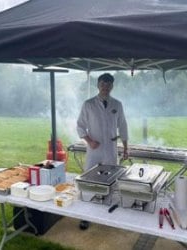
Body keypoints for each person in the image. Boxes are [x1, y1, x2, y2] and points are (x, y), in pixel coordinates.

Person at [76, 73, 129, 230]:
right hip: (94, 150)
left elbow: (123, 126)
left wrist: (126, 147)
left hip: (111, 149)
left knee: (111, 181)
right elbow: (80, 125)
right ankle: (85, 216)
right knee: (89, 182)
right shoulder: (89, 104)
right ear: (98, 85)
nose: (105, 87)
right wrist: (89, 141)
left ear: (112, 86)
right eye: (102, 84)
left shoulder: (117, 105)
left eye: (108, 85)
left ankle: (105, 215)